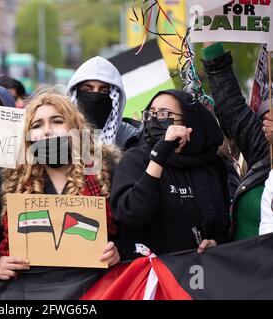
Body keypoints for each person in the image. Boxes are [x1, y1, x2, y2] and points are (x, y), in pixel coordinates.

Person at [0, 90, 121, 280]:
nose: (46, 131)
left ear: (76, 129)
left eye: (57, 121)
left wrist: (119, 252)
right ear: (28, 138)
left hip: (92, 289)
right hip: (32, 289)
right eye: (37, 125)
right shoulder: (12, 182)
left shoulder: (106, 172)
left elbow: (132, 233)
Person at [110, 89, 230, 259]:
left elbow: (223, 226)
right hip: (152, 276)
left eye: (164, 113)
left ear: (188, 123)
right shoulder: (136, 159)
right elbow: (133, 213)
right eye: (150, 113)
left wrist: (216, 242)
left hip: (202, 274)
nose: (154, 119)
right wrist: (160, 155)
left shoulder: (211, 166)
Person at [201, 42, 270, 240]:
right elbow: (232, 109)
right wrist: (211, 42)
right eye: (265, 117)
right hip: (244, 268)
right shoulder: (264, 151)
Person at [66, 56, 142, 150]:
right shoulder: (57, 133)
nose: (95, 97)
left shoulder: (132, 138)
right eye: (87, 90)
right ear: (75, 93)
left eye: (103, 91)